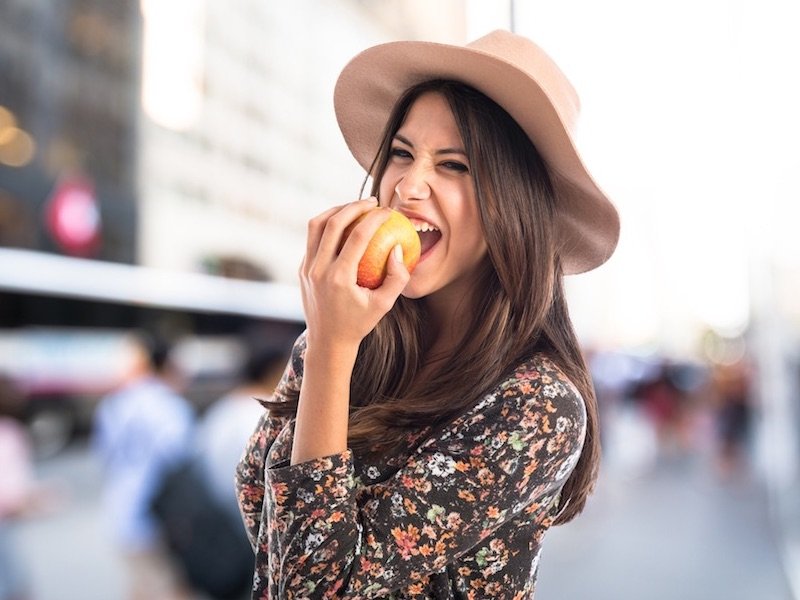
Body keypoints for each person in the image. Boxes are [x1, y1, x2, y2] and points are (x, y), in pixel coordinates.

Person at [236, 29, 620, 598]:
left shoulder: (540, 405)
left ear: (513, 204)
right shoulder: (345, 337)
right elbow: (259, 507)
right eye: (401, 154)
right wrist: (330, 345)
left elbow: (313, 591)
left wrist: (331, 351)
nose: (408, 186)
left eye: (454, 165)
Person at [92, 332, 195, 600]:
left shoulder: (113, 404)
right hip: (158, 516)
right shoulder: (169, 405)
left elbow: (104, 456)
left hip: (121, 509)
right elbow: (180, 462)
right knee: (170, 589)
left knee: (142, 585)